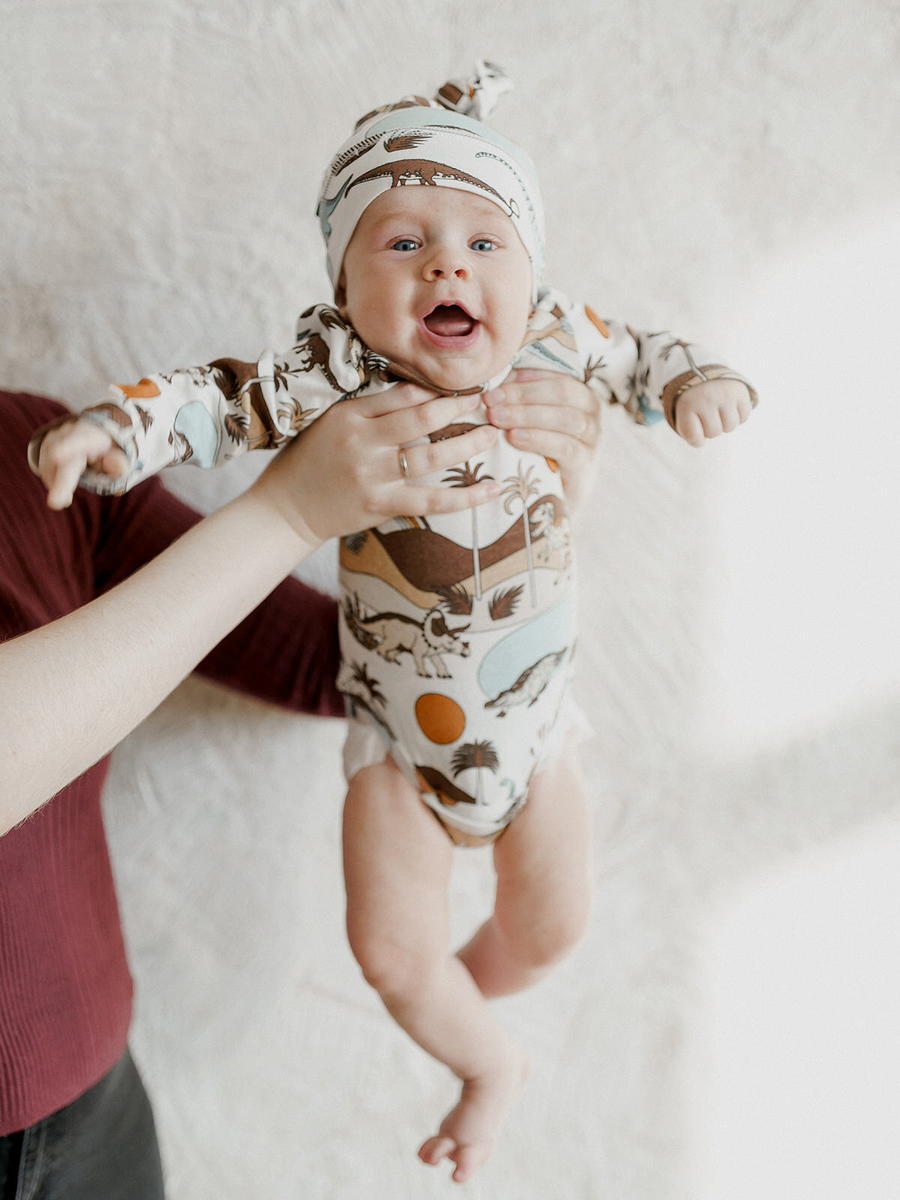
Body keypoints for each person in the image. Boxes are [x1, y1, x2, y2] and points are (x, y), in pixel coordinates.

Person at [28, 62, 756, 1183]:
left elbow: (641, 355)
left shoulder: (557, 336)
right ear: (343, 284)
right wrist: (115, 433)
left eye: (484, 241)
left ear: (531, 268)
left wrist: (695, 382)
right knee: (387, 951)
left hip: (537, 729)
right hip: (396, 745)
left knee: (555, 927)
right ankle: (487, 1065)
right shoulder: (334, 370)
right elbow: (215, 398)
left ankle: (466, 1005)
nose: (448, 264)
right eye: (403, 242)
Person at [1, 373, 599, 1198]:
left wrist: (524, 511)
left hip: (96, 1101)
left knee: (551, 923)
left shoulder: (42, 451)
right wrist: (287, 512)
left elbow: (340, 663)